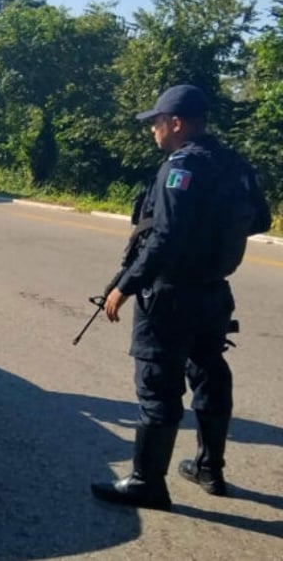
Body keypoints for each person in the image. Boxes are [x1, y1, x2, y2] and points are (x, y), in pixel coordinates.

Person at [90, 84, 271, 511]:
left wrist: (123, 286)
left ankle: (145, 483)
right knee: (210, 372)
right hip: (213, 293)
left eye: (156, 122)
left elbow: (165, 238)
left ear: (176, 123)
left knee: (158, 388)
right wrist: (212, 239)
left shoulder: (181, 166)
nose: (152, 130)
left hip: (171, 295)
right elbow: (260, 218)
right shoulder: (233, 163)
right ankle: (210, 467)